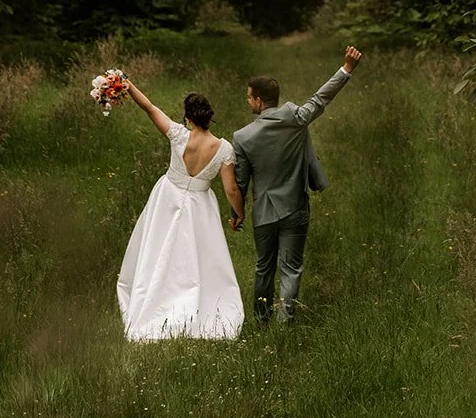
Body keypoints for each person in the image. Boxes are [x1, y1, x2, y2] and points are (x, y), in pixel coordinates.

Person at [232, 45, 362, 324]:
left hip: (264, 212)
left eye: (248, 97)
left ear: (257, 100)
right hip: (295, 207)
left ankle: (261, 318)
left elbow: (240, 182)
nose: (248, 101)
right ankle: (285, 321)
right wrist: (346, 69)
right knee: (291, 268)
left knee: (263, 267)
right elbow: (320, 99)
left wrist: (236, 214)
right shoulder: (295, 118)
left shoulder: (242, 137)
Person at [117, 78, 245, 341]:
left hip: (167, 198)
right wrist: (239, 213)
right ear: (210, 117)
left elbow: (149, 107)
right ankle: (199, 305)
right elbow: (231, 190)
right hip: (200, 205)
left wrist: (128, 85)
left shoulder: (177, 135)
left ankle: (157, 298)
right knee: (197, 256)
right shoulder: (223, 149)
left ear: (188, 117)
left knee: (159, 249)